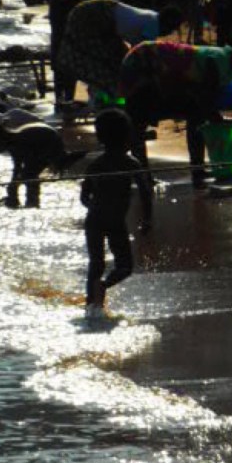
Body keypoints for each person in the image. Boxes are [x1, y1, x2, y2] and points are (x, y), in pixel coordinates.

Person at [120, 34, 232, 187]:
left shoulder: (229, 68)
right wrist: (219, 122)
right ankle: (138, 176)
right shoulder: (217, 61)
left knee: (195, 114)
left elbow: (208, 99)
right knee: (139, 122)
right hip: (143, 61)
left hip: (156, 67)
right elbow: (206, 101)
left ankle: (196, 168)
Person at [80, 108, 153, 315]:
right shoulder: (131, 163)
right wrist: (147, 220)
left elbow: (84, 197)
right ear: (127, 135)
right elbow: (146, 193)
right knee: (125, 267)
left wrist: (95, 206)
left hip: (94, 219)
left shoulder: (95, 165)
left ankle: (90, 304)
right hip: (115, 222)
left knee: (96, 263)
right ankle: (103, 286)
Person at [57, 0, 183, 103]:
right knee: (102, 63)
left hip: (100, 15)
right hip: (95, 16)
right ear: (167, 23)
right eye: (171, 28)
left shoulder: (152, 16)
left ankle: (100, 96)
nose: (169, 33)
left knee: (113, 59)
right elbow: (142, 53)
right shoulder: (154, 24)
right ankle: (101, 100)